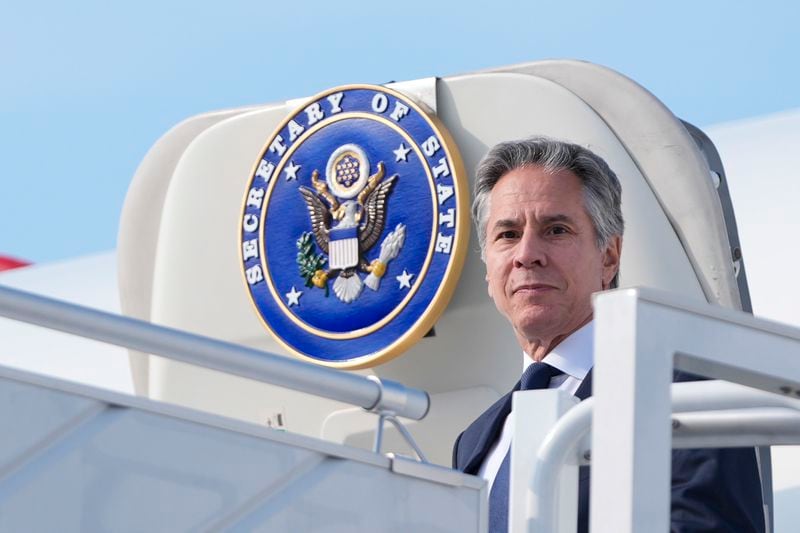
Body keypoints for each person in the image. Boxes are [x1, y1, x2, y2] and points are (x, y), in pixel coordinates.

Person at [452, 137, 765, 533]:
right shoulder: (474, 440)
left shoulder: (682, 396)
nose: (526, 253)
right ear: (487, 266)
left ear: (610, 256)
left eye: (556, 230)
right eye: (508, 235)